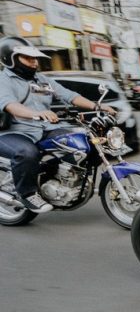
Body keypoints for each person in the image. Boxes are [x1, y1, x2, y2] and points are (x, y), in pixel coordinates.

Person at [0, 36, 116, 213]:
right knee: (27, 153)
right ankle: (27, 194)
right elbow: (10, 105)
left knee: (84, 143)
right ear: (10, 59)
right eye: (27, 58)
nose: (33, 62)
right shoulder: (3, 80)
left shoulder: (41, 79)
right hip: (14, 132)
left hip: (45, 129)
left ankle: (54, 178)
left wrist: (97, 106)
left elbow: (69, 95)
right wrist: (36, 114)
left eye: (34, 58)